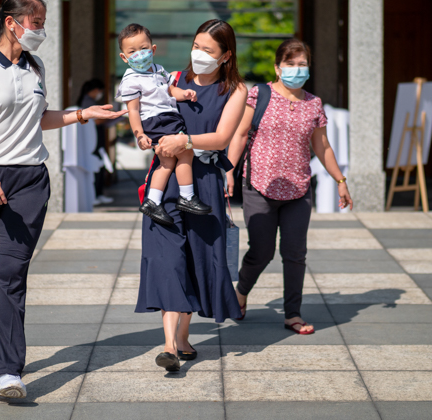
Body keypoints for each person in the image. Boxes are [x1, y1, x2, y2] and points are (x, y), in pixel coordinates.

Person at [0, 0, 125, 399]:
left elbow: (38, 118)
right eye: (37, 23)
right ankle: (7, 341)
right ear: (12, 22)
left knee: (10, 273)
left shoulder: (35, 65)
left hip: (28, 181)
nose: (41, 31)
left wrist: (82, 114)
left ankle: (7, 372)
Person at [136, 19, 247, 372]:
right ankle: (170, 345)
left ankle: (182, 337)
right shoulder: (170, 80)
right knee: (167, 260)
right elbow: (144, 110)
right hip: (164, 180)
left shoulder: (237, 91)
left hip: (204, 184)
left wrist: (185, 141)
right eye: (196, 46)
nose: (198, 54)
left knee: (198, 262)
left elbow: (220, 138)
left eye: (208, 50)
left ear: (226, 56)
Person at [226, 38, 353, 335]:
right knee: (261, 252)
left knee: (295, 254)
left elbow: (322, 147)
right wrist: (228, 171)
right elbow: (240, 135)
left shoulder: (313, 104)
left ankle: (292, 314)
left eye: (302, 65)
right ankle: (240, 293)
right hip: (259, 186)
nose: (296, 70)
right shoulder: (260, 95)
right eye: (290, 64)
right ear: (277, 67)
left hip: (298, 189)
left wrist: (341, 181)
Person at [116, 23, 212, 226]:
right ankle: (186, 196)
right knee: (185, 151)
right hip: (156, 121)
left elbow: (171, 90)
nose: (139, 54)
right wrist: (139, 134)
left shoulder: (158, 70)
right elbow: (133, 110)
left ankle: (153, 201)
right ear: (124, 57)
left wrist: (183, 94)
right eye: (132, 51)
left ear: (153, 49)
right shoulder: (131, 80)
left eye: (143, 49)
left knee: (167, 161)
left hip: (168, 118)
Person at [77, 78, 114, 206]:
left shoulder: (87, 100)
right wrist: (110, 116)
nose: (100, 93)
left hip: (94, 138)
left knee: (99, 165)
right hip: (93, 140)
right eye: (99, 90)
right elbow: (95, 121)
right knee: (97, 166)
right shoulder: (88, 102)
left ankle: (98, 193)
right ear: (94, 90)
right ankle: (96, 194)